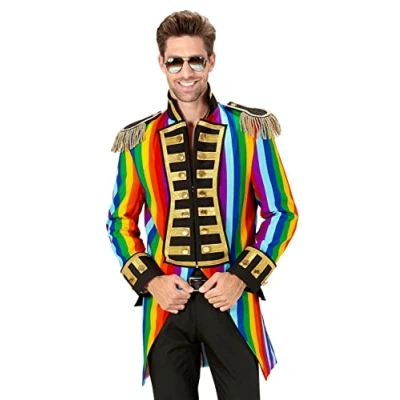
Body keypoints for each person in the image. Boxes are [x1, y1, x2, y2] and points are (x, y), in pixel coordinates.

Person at [106, 10, 298, 400]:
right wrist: (152, 282)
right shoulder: (139, 139)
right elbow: (120, 221)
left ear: (211, 61)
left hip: (231, 303)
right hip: (167, 307)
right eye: (175, 61)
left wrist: (241, 277)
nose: (186, 72)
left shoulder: (248, 130)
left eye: (195, 60)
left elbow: (281, 212)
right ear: (161, 64)